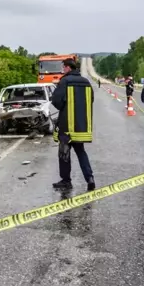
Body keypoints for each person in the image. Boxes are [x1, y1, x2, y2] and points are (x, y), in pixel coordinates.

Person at [51, 58, 96, 191]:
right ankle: (90, 178)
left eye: (63, 67)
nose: (63, 69)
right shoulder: (86, 82)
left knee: (64, 153)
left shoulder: (64, 81)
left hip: (66, 126)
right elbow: (91, 99)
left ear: (68, 68)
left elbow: (56, 101)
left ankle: (66, 181)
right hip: (81, 125)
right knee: (81, 152)